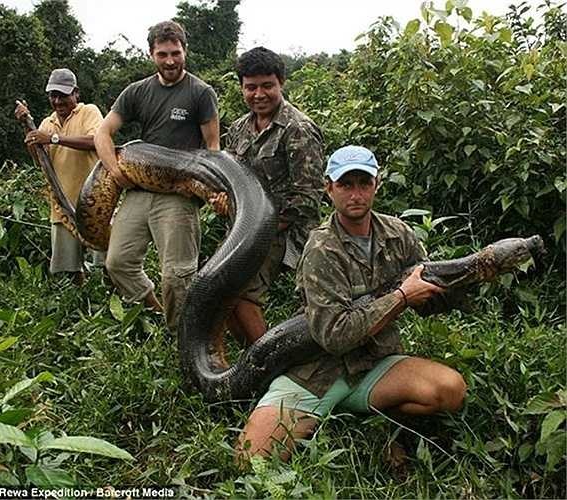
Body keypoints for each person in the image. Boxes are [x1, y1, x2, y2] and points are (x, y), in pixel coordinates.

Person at [237, 145, 467, 462]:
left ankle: (376, 419)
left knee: (450, 389)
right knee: (251, 460)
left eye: (363, 183)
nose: (355, 194)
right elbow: (334, 336)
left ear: (377, 185)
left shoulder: (399, 234)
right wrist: (401, 297)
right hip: (317, 371)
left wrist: (463, 283)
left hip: (376, 361)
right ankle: (326, 410)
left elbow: (429, 304)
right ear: (328, 188)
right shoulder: (321, 248)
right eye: (345, 184)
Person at [94, 20, 220, 328]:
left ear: (185, 51)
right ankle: (155, 311)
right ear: (151, 54)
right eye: (162, 54)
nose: (170, 61)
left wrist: (210, 190)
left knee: (177, 274)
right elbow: (103, 133)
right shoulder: (136, 92)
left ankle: (183, 336)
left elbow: (213, 147)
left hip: (178, 194)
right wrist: (115, 170)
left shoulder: (200, 93)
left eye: (176, 53)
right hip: (139, 189)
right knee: (117, 263)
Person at [225, 46, 324, 344]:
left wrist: (260, 231)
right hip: (246, 227)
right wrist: (222, 199)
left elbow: (307, 198)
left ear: (281, 83)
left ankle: (267, 364)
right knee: (220, 289)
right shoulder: (239, 128)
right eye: (250, 87)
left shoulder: (299, 129)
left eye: (267, 86)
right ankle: (251, 354)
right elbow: (229, 178)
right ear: (242, 87)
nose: (259, 94)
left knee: (241, 292)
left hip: (287, 230)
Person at [14, 68, 105, 284]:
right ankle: (78, 308)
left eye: (63, 95)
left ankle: (112, 308)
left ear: (76, 93)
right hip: (61, 207)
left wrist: (53, 138)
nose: (57, 101)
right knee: (69, 269)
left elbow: (96, 141)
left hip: (94, 204)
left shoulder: (89, 112)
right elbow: (41, 162)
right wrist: (30, 134)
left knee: (106, 264)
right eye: (53, 95)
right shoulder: (47, 123)